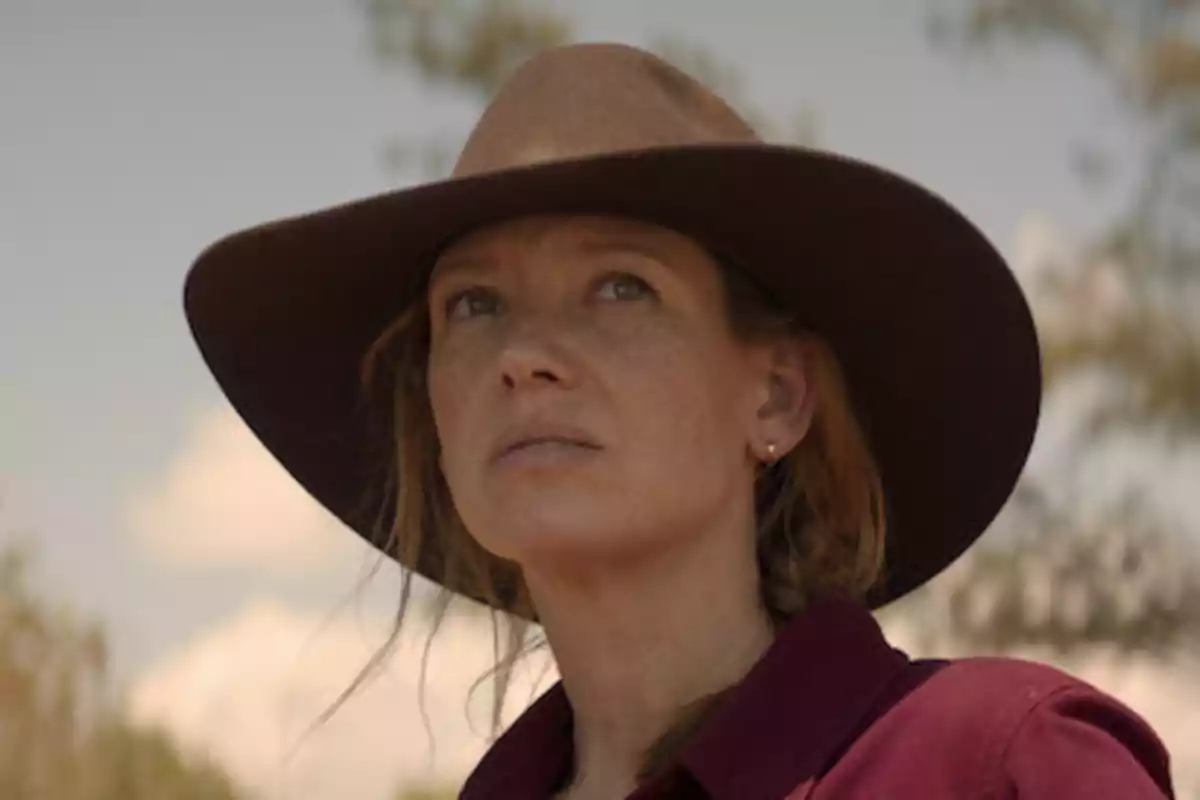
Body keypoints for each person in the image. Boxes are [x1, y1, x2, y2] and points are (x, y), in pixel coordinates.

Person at [182, 43, 1176, 799]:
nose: (522, 354)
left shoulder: (996, 762)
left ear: (776, 395)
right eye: (472, 304)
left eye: (620, 287)